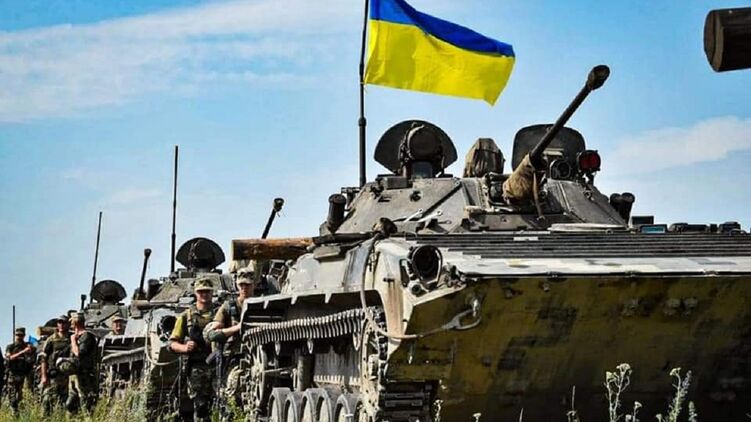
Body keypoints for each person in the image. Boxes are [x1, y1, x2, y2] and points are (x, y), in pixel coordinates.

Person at [207, 267, 257, 415]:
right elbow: (212, 334)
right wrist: (237, 328)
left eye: (247, 285)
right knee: (231, 396)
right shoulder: (229, 307)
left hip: (259, 356)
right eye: (241, 285)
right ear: (236, 285)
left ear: (254, 285)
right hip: (234, 358)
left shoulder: (262, 305)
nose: (244, 288)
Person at [169, 278, 217, 422]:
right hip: (197, 368)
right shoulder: (186, 316)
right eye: (201, 292)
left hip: (219, 365)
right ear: (196, 293)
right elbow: (172, 343)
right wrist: (184, 347)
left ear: (212, 293)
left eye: (207, 291)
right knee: (201, 408)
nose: (204, 294)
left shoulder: (220, 313)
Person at [66, 312, 98, 413]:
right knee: (70, 404)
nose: (70, 324)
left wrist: (73, 341)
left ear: (75, 322)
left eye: (72, 322)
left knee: (85, 403)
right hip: (74, 374)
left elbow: (78, 353)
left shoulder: (86, 336)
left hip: (84, 374)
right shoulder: (77, 336)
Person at [39, 315, 71, 414]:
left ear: (68, 324)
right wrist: (44, 376)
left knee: (65, 401)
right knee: (47, 399)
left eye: (63, 322)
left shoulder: (72, 338)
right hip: (54, 374)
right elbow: (43, 358)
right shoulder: (51, 339)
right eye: (59, 322)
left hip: (68, 375)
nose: (61, 325)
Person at [4, 327, 34, 414]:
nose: (19, 337)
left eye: (21, 335)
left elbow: (33, 355)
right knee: (12, 397)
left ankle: (20, 413)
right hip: (13, 374)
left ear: (24, 335)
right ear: (15, 335)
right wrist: (22, 352)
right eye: (18, 335)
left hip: (24, 374)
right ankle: (14, 413)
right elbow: (10, 358)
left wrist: (31, 349)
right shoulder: (11, 347)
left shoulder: (27, 345)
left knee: (21, 397)